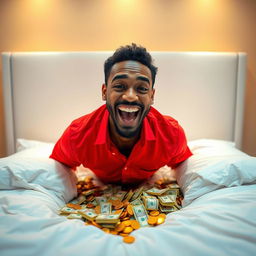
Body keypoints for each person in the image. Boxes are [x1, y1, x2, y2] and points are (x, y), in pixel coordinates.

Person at [50, 43, 192, 185]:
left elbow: (182, 164)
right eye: (119, 86)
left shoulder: (172, 134)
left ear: (152, 96)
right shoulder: (76, 135)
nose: (130, 96)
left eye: (142, 88)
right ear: (105, 92)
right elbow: (60, 165)